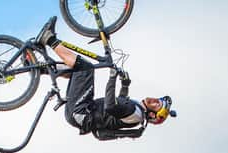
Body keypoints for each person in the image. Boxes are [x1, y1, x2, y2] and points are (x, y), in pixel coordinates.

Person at [36, 16, 176, 141]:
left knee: (85, 68)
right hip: (83, 112)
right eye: (158, 100)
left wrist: (112, 77)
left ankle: (48, 38)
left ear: (152, 115)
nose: (154, 100)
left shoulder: (137, 113)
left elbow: (110, 106)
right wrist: (125, 85)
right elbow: (118, 106)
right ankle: (38, 68)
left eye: (157, 105)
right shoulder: (136, 111)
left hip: (81, 113)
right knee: (77, 72)